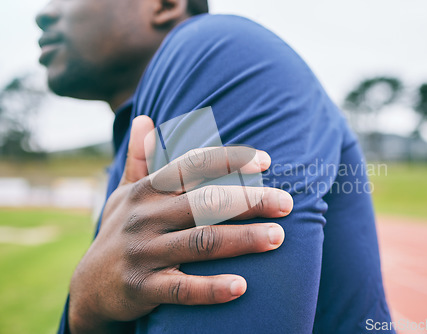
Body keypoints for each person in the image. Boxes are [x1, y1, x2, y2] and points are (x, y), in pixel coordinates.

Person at [36, 0, 394, 333]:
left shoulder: (210, 52)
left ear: (165, 4)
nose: (44, 12)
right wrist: (87, 306)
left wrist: (83, 308)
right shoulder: (133, 148)